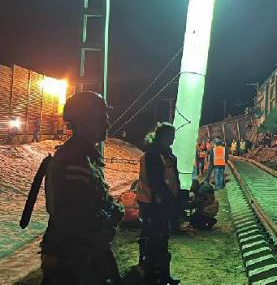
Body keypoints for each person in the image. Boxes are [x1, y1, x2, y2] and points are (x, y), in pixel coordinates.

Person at [40, 91, 123, 284]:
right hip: (73, 258)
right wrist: (113, 215)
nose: (108, 124)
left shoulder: (83, 157)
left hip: (81, 254)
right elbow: (74, 216)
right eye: (102, 118)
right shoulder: (75, 160)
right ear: (84, 121)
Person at [136, 122, 181, 285]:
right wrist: (170, 201)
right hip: (152, 204)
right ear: (162, 137)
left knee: (162, 239)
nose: (173, 140)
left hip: (161, 203)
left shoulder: (166, 154)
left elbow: (172, 179)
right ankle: (152, 275)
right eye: (171, 136)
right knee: (155, 240)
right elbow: (156, 183)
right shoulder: (153, 155)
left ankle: (162, 275)